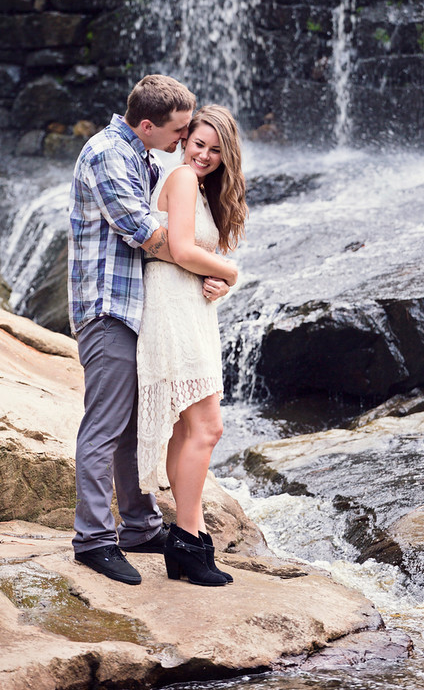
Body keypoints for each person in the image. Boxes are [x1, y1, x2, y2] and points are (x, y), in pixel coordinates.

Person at [68, 73, 197, 586]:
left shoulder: (142, 154)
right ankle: (94, 541)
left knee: (133, 426)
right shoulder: (106, 154)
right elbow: (145, 233)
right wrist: (212, 266)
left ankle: (140, 528)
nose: (183, 141)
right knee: (103, 428)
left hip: (134, 308)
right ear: (147, 124)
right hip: (107, 310)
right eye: (179, 131)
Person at [136, 104, 247, 586]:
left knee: (188, 430)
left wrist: (222, 283)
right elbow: (181, 249)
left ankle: (191, 540)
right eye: (198, 143)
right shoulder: (181, 178)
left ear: (227, 156)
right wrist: (232, 272)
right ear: (185, 141)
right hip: (173, 312)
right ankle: (186, 536)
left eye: (215, 150)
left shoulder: (201, 188)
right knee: (208, 427)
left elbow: (197, 257)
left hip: (191, 311)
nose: (203, 154)